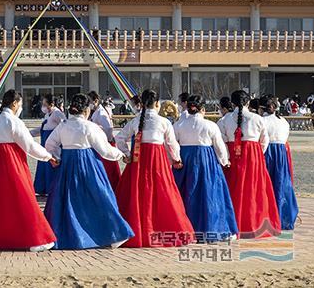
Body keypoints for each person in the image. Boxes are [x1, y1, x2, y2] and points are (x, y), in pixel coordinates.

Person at [0, 90, 58, 252]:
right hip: (11, 161)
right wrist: (48, 156)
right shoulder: (13, 120)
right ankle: (36, 238)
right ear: (14, 104)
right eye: (19, 103)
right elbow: (29, 145)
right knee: (23, 197)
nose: (20, 107)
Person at [43, 93, 133, 250]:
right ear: (86, 110)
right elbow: (105, 151)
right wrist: (121, 154)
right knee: (102, 198)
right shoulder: (90, 127)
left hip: (67, 166)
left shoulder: (63, 125)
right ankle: (115, 234)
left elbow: (50, 144)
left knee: (65, 201)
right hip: (88, 165)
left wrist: (57, 158)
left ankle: (62, 235)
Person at [114, 89, 194, 247]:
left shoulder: (136, 120)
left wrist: (126, 155)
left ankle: (134, 231)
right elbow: (171, 144)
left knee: (136, 193)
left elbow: (120, 138)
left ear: (143, 104)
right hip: (157, 160)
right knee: (163, 191)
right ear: (157, 104)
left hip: (138, 160)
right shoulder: (164, 122)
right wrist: (176, 160)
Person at [172, 95, 238, 242]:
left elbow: (171, 143)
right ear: (203, 109)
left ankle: (186, 229)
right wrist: (224, 161)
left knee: (186, 193)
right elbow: (219, 146)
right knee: (210, 194)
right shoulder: (210, 125)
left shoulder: (179, 125)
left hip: (185, 161)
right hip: (206, 161)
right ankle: (214, 229)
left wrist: (175, 158)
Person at [217, 90, 281, 238]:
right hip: (253, 155)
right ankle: (255, 223)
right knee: (255, 190)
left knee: (234, 189)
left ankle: (234, 223)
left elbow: (222, 143)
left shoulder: (224, 121)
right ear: (247, 102)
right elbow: (264, 141)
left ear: (232, 103)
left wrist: (226, 159)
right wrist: (258, 154)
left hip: (233, 155)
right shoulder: (257, 119)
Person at [260, 95, 298, 230]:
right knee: (282, 184)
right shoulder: (283, 121)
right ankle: (284, 217)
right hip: (281, 153)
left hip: (266, 151)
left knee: (266, 185)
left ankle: (268, 217)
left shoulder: (261, 120)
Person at [31, 93, 66, 195]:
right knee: (44, 166)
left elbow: (64, 125)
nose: (43, 106)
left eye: (45, 104)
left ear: (51, 104)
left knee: (51, 166)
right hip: (44, 143)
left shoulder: (57, 113)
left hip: (53, 145)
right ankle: (43, 188)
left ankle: (53, 189)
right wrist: (29, 133)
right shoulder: (48, 114)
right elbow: (43, 128)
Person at [87, 90, 121, 189]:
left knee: (107, 169)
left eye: (90, 101)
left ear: (96, 100)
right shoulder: (97, 111)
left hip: (105, 143)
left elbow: (108, 128)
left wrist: (103, 139)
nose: (89, 104)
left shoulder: (101, 112)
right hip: (102, 142)